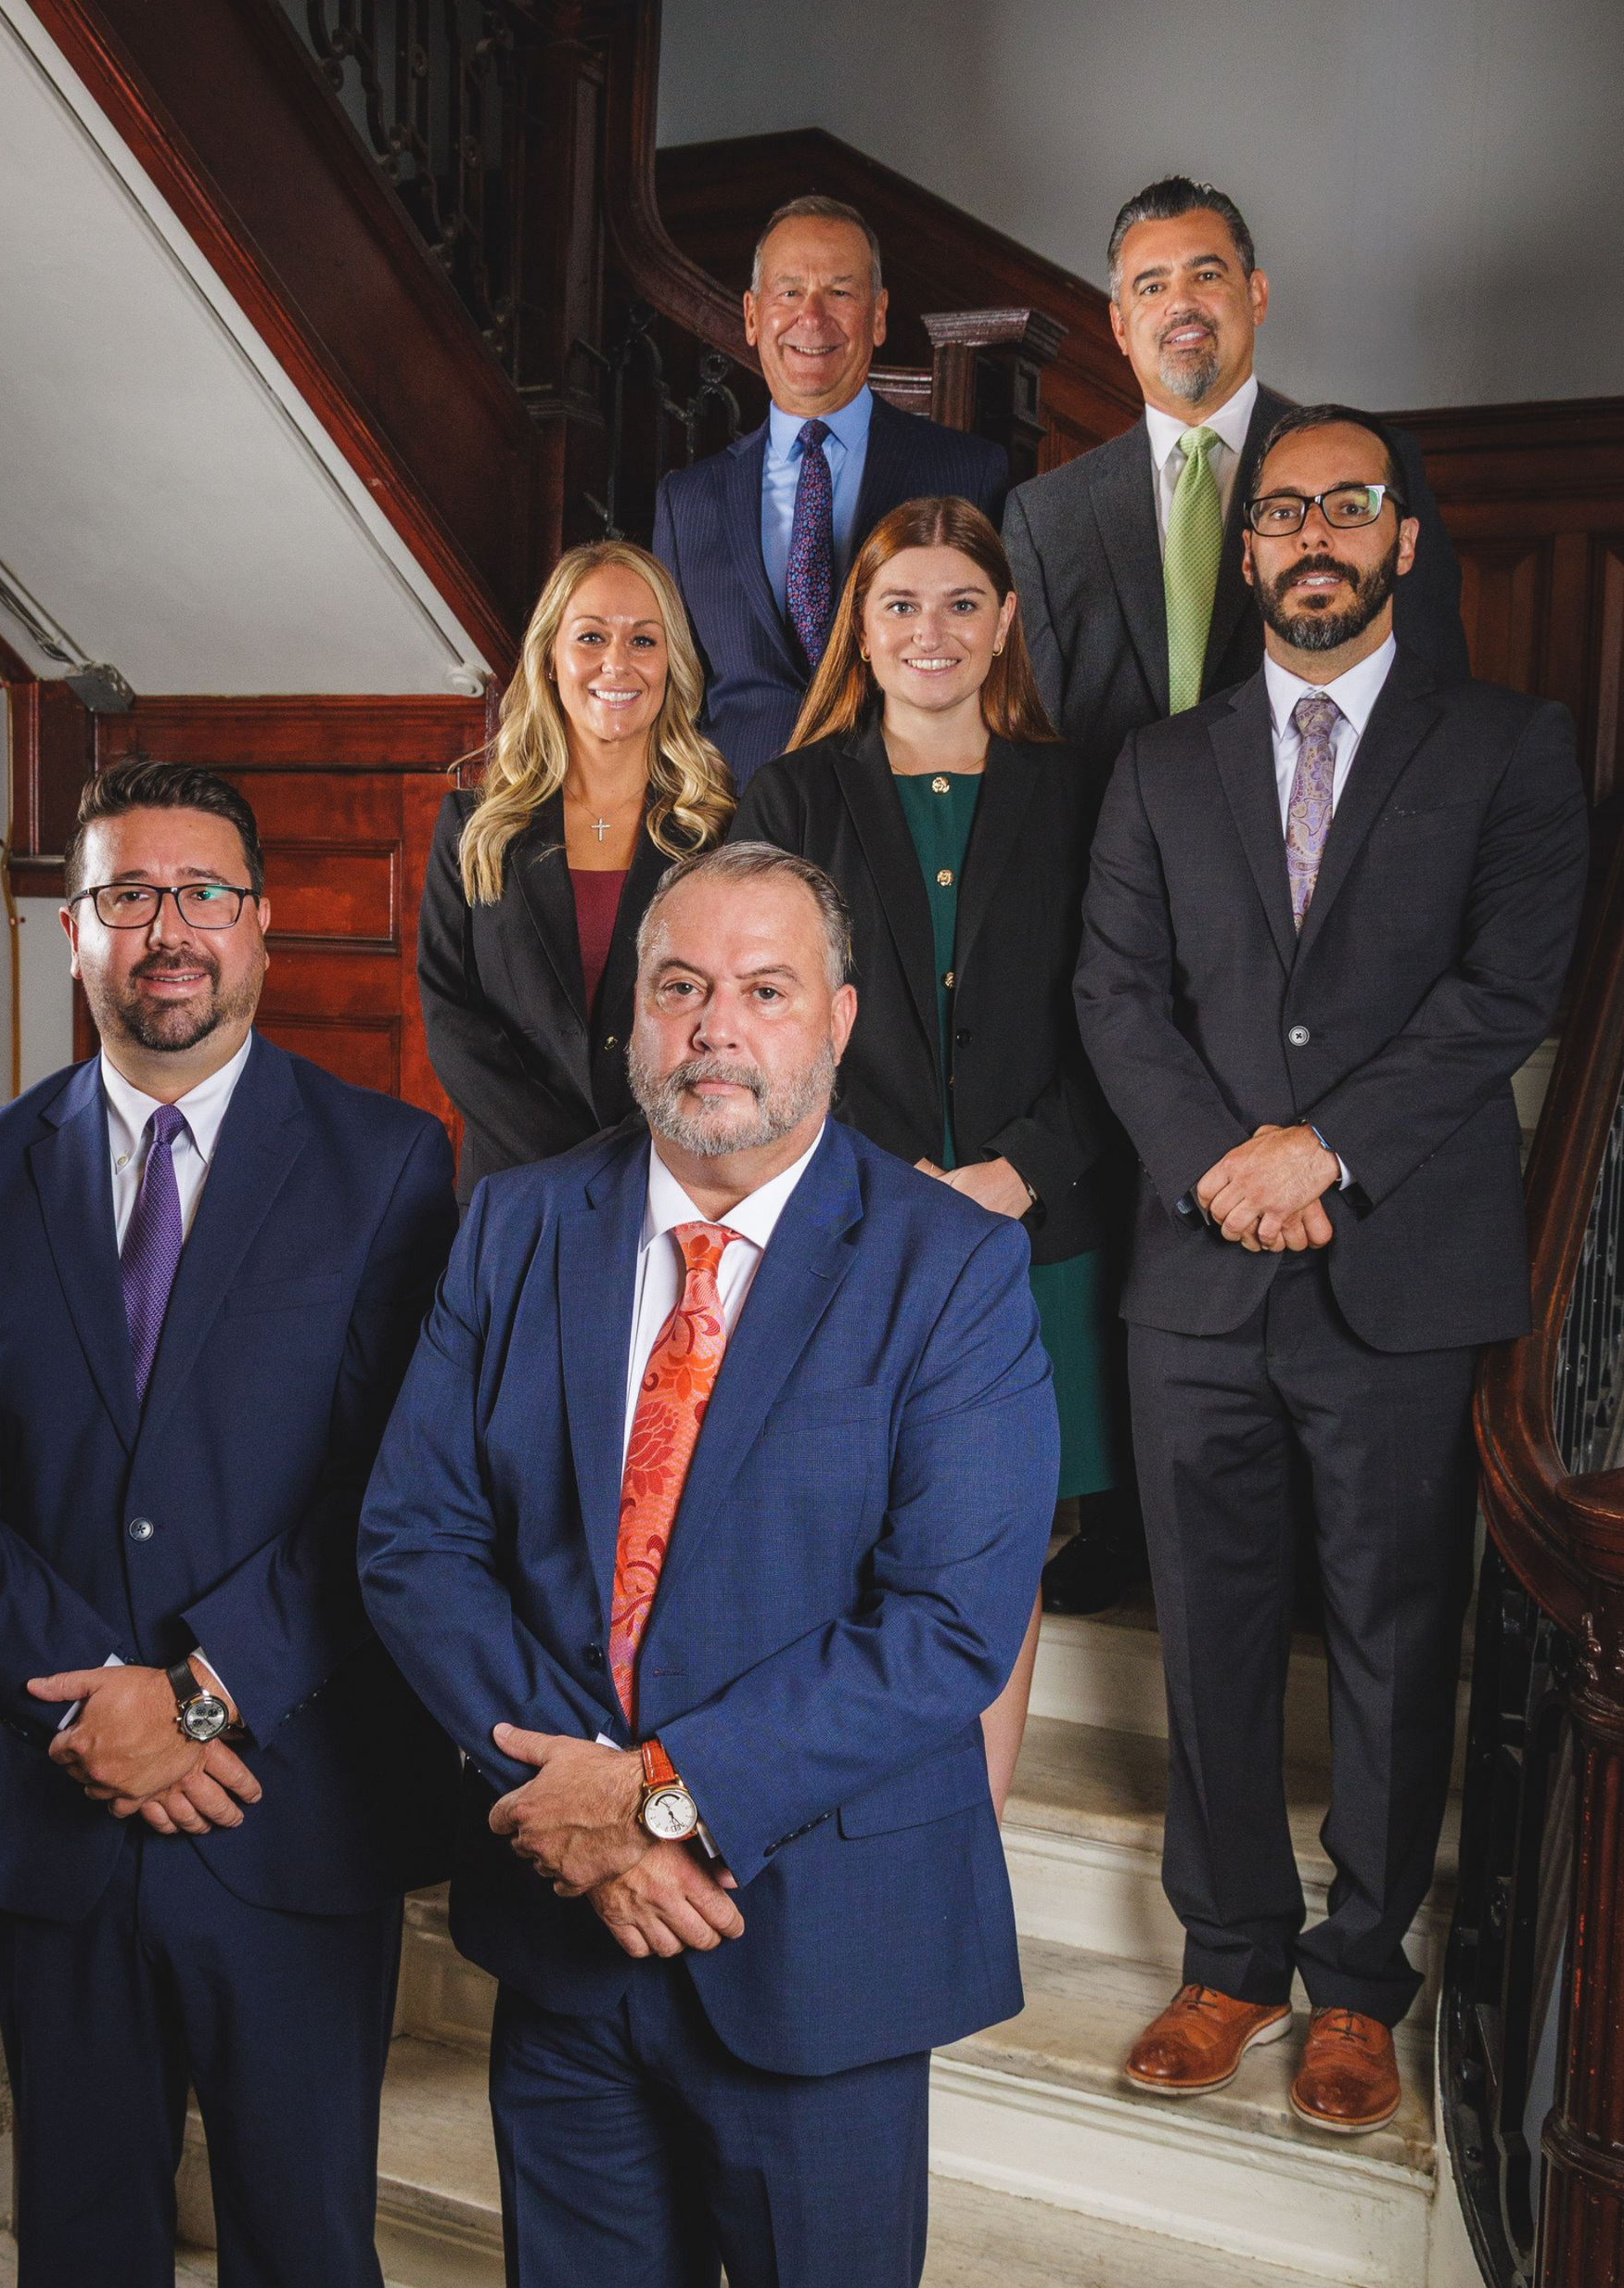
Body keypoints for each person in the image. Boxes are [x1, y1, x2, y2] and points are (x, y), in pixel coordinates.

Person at [361, 841, 1056, 2288]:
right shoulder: (519, 1225)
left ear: (840, 1017)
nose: (717, 1029)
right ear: (634, 1026)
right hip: (565, 1939)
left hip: (817, 1947)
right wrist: (573, 1811)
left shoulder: (951, 1267)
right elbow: (415, 1537)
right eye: (680, 989)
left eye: (763, 989)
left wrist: (656, 1806)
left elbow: (946, 1624)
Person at [0, 760, 460, 2288]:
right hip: (46, 1802)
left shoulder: (388, 1167)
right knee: (79, 2239)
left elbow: (387, 1493)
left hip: (284, 1797)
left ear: (263, 929)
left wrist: (198, 1698)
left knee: (303, 2244)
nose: (168, 931)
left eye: (203, 895)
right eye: (128, 895)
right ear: (77, 932)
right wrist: (89, 1708)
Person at [1074, 404, 1587, 2134]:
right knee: (1208, 1632)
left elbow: (1504, 996)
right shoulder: (1159, 765)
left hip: (1400, 1272)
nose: (1312, 535)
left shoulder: (1511, 751)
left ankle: (1361, 1986)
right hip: (1196, 1276)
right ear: (1250, 545)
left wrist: (1325, 1152)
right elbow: (1116, 1000)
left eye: (1346, 508)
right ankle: (1227, 1960)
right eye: (1283, 508)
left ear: (1404, 539)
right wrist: (1228, 1168)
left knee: (1391, 1628)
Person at [1004, 173, 1471, 1617]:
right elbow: (1052, 738)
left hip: (1338, 949)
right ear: (1115, 320)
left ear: (1255, 295)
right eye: (1148, 284)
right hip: (1138, 936)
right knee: (1156, 1253)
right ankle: (1138, 1530)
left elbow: (1426, 714)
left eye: (1206, 274)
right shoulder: (1047, 511)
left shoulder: (1350, 477)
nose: (1180, 305)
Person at [735, 495, 1109, 1813]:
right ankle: (844, 1796)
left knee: (1001, 1541)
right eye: (900, 605)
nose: (931, 631)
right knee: (848, 1522)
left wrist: (1022, 1168)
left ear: (1006, 621)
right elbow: (759, 1006)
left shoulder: (1081, 792)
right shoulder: (791, 793)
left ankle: (970, 1827)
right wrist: (867, 1172)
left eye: (961, 603)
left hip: (1028, 1232)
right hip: (847, 1227)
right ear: (862, 628)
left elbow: (1123, 1011)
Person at [654, 196, 1008, 793]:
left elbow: (1000, 671)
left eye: (839, 292)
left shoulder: (968, 472)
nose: (811, 318)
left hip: (910, 808)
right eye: (789, 292)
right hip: (736, 825)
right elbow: (672, 695)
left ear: (878, 315)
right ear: (750, 314)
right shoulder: (686, 500)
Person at [420, 541, 735, 1202]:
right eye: (591, 636)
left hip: (675, 1186)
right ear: (549, 659)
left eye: (643, 641)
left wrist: (645, 1163)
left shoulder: (722, 834)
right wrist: (577, 1165)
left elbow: (728, 1022)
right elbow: (452, 1020)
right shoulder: (472, 827)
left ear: (672, 661)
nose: (616, 663)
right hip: (515, 1185)